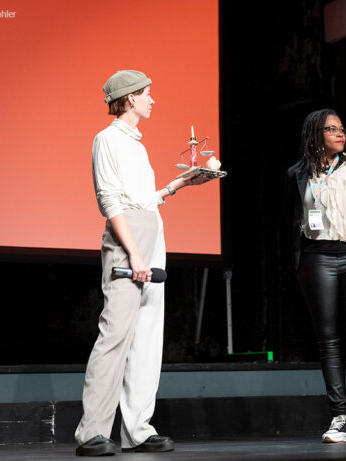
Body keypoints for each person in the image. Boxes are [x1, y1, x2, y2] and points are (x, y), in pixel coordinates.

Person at [75, 70, 220, 456]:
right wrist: (134, 253)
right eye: (146, 94)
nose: (152, 100)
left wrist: (179, 185)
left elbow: (140, 199)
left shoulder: (137, 146)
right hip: (128, 240)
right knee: (115, 337)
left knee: (147, 338)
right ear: (128, 99)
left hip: (150, 231)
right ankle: (92, 431)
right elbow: (110, 200)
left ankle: (137, 429)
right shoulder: (106, 140)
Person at [284, 109, 346, 443]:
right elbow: (293, 221)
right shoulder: (298, 174)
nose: (340, 134)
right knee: (328, 340)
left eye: (342, 128)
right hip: (318, 256)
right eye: (331, 129)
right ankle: (339, 416)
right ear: (315, 134)